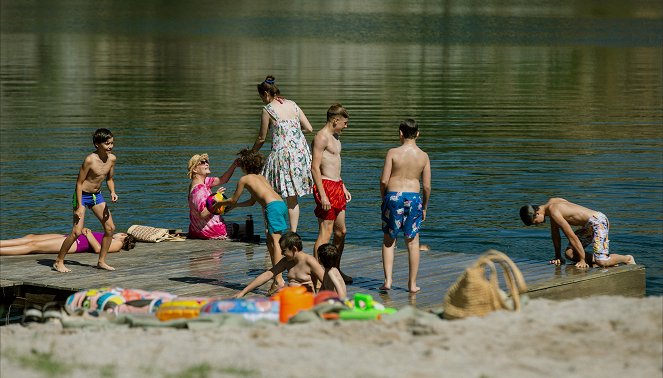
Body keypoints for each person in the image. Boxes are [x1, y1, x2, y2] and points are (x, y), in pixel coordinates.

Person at [217, 148, 290, 292]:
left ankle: (279, 279)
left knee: (275, 242)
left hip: (272, 208)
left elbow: (233, 199)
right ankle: (277, 277)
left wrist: (219, 204)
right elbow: (251, 202)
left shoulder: (244, 179)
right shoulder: (261, 177)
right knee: (270, 241)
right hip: (281, 204)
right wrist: (235, 207)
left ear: (244, 166)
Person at [252, 75, 314, 232]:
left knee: (268, 192)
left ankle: (273, 230)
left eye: (261, 97)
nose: (262, 100)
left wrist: (252, 153)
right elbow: (309, 128)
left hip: (281, 155)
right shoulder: (292, 104)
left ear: (266, 94)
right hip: (300, 155)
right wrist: (293, 133)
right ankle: (293, 233)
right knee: (292, 197)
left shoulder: (268, 109)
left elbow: (261, 138)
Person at [54, 128, 119, 273]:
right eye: (107, 144)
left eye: (112, 143)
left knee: (110, 228)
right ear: (97, 144)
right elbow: (78, 183)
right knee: (76, 232)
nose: (110, 146)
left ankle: (101, 261)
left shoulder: (112, 159)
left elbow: (109, 178)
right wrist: (78, 206)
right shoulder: (90, 160)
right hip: (81, 196)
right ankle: (59, 261)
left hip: (97, 196)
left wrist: (113, 192)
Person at [379, 119, 431, 293]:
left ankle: (388, 281)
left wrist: (384, 198)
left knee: (389, 240)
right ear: (418, 134)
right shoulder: (423, 156)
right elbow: (427, 186)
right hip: (414, 198)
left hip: (393, 197)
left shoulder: (393, 152)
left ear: (400, 133)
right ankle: (412, 284)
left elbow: (384, 180)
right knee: (413, 242)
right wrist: (424, 206)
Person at [519, 198, 636, 268]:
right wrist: (558, 256)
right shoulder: (551, 204)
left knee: (602, 261)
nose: (538, 224)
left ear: (537, 213)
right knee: (569, 254)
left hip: (598, 222)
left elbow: (571, 236)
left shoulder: (554, 211)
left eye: (535, 222)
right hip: (588, 226)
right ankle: (604, 261)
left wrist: (582, 260)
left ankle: (627, 259)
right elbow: (555, 236)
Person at [311, 103, 352, 283]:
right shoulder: (321, 137)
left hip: (337, 186)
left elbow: (335, 165)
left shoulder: (336, 138)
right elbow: (314, 167)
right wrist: (323, 194)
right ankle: (319, 273)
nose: (346, 126)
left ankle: (335, 269)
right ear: (335, 120)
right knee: (325, 233)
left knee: (341, 232)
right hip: (325, 186)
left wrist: (342, 186)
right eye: (344, 122)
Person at [234, 231, 325, 297]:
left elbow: (327, 281)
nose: (281, 253)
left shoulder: (309, 261)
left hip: (305, 300)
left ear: (294, 249)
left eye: (284, 250)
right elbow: (268, 274)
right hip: (290, 297)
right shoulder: (286, 261)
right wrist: (243, 292)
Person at [187, 153, 238, 239]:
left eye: (207, 161)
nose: (207, 163)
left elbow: (222, 179)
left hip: (197, 230)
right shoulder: (199, 190)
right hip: (211, 231)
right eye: (202, 162)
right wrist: (215, 199)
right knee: (242, 228)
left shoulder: (204, 182)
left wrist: (234, 165)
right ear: (195, 169)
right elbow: (202, 214)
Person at [1, 228, 136, 256]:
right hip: (71, 237)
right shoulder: (111, 238)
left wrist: (88, 234)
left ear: (124, 236)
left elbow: (98, 249)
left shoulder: (117, 243)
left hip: (75, 244)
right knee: (31, 237)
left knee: (33, 246)